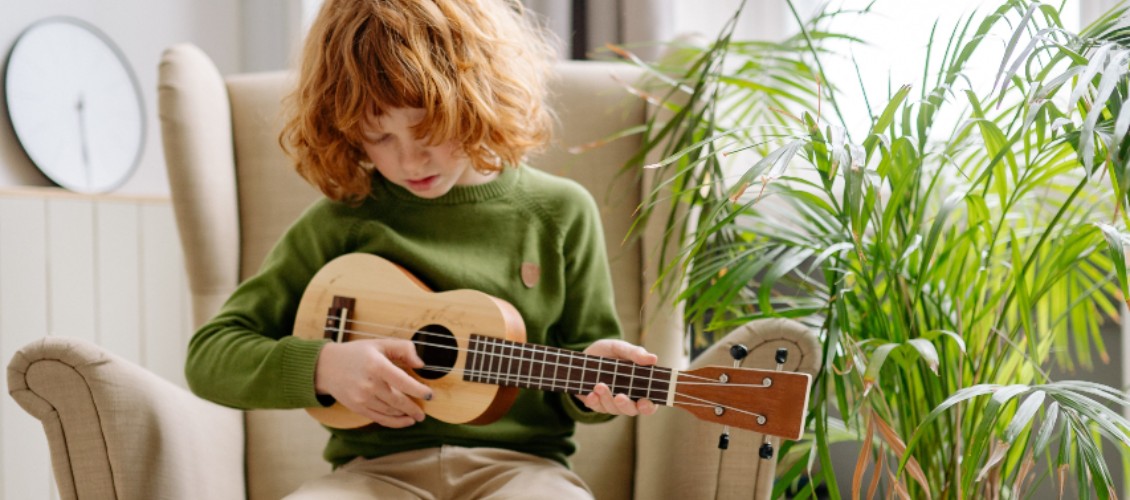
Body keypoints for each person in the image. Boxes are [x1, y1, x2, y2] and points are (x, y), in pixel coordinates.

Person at [184, 0, 658, 498]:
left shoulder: (559, 212)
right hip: (373, 473)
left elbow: (585, 373)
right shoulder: (341, 223)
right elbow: (210, 357)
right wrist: (326, 366)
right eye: (378, 136)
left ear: (477, 96)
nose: (410, 159)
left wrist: (595, 382)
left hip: (520, 470)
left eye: (428, 126)